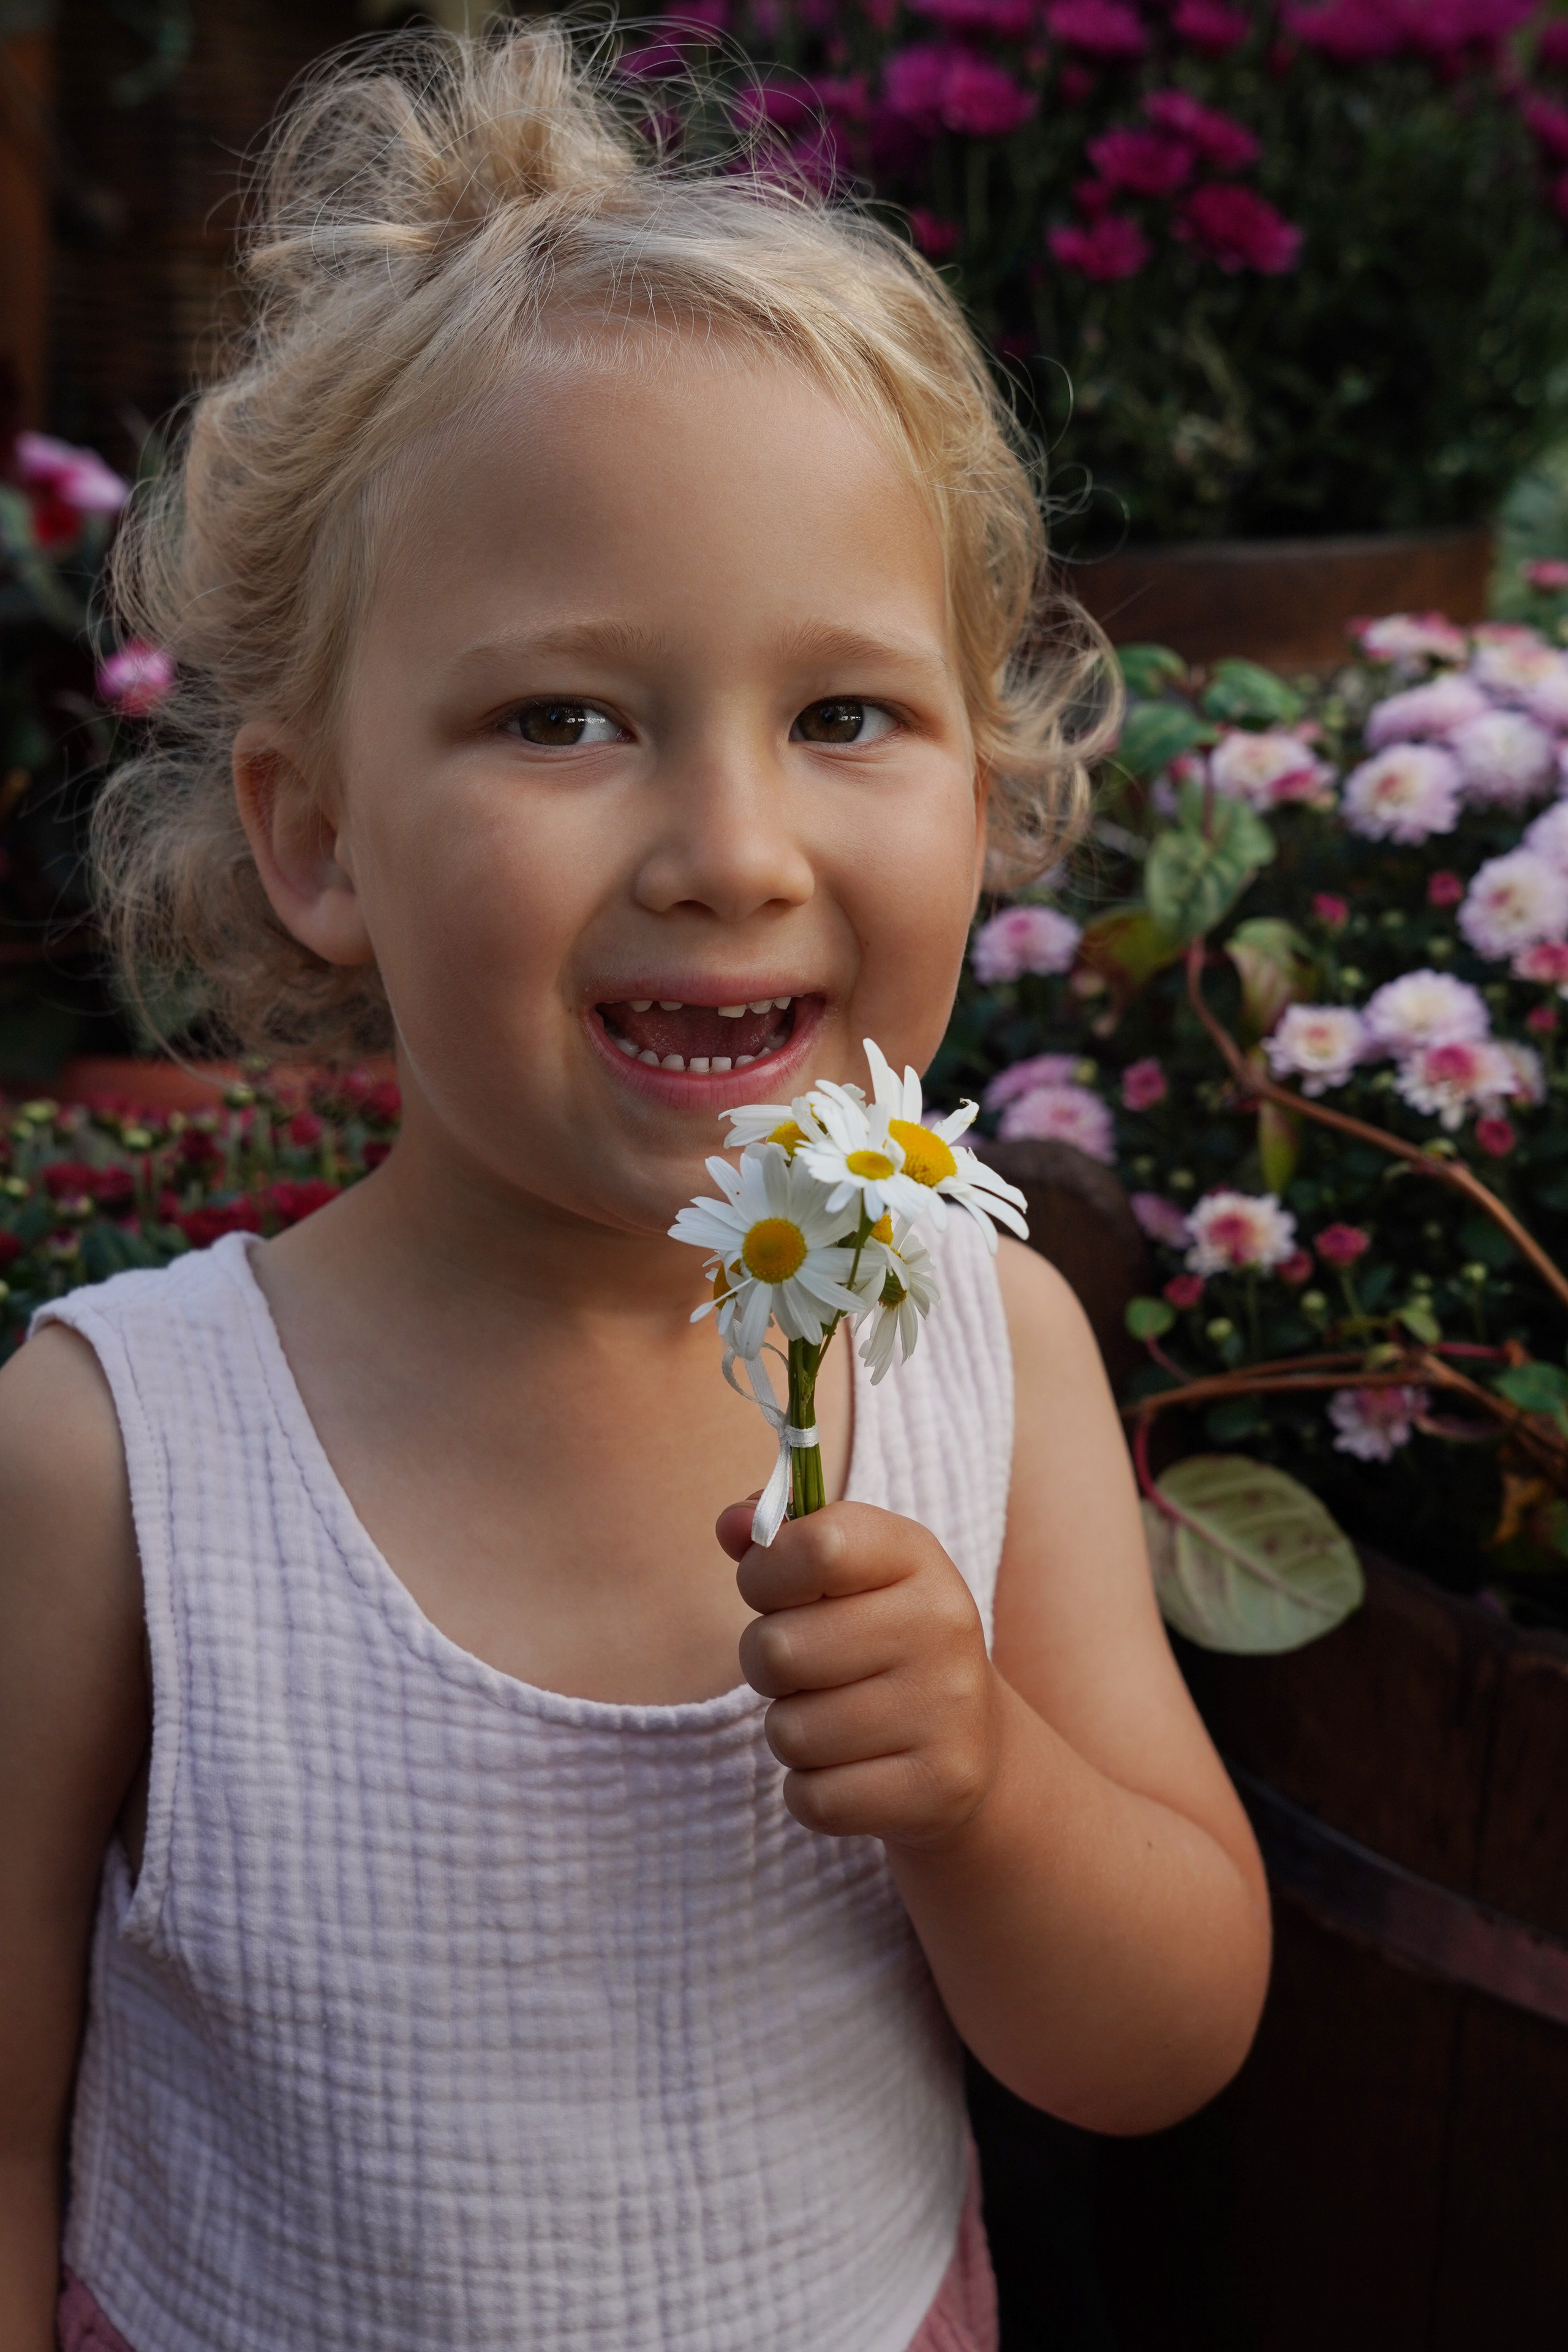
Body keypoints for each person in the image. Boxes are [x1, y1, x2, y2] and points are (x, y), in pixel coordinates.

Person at [0, 24, 1269, 2351]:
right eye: (564, 717)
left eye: (849, 715)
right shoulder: (116, 1451)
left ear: (986, 796)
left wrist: (982, 1794)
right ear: (315, 838)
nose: (733, 850)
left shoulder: (981, 1356)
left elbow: (1163, 2034)